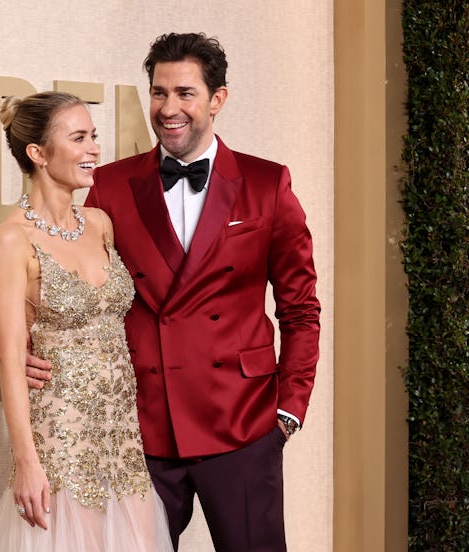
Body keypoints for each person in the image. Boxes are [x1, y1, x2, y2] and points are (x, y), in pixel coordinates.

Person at [26, 33, 320, 551]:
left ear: (217, 99)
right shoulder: (111, 186)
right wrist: (28, 345)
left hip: (243, 421)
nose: (169, 108)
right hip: (141, 427)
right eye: (159, 93)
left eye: (185, 93)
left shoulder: (266, 183)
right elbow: (52, 262)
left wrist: (289, 408)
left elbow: (300, 308)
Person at [0, 91, 173, 551]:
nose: (95, 150)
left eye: (95, 136)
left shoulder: (100, 224)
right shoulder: (11, 242)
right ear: (39, 154)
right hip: (62, 440)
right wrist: (27, 461)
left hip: (122, 439)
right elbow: (11, 362)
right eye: (80, 138)